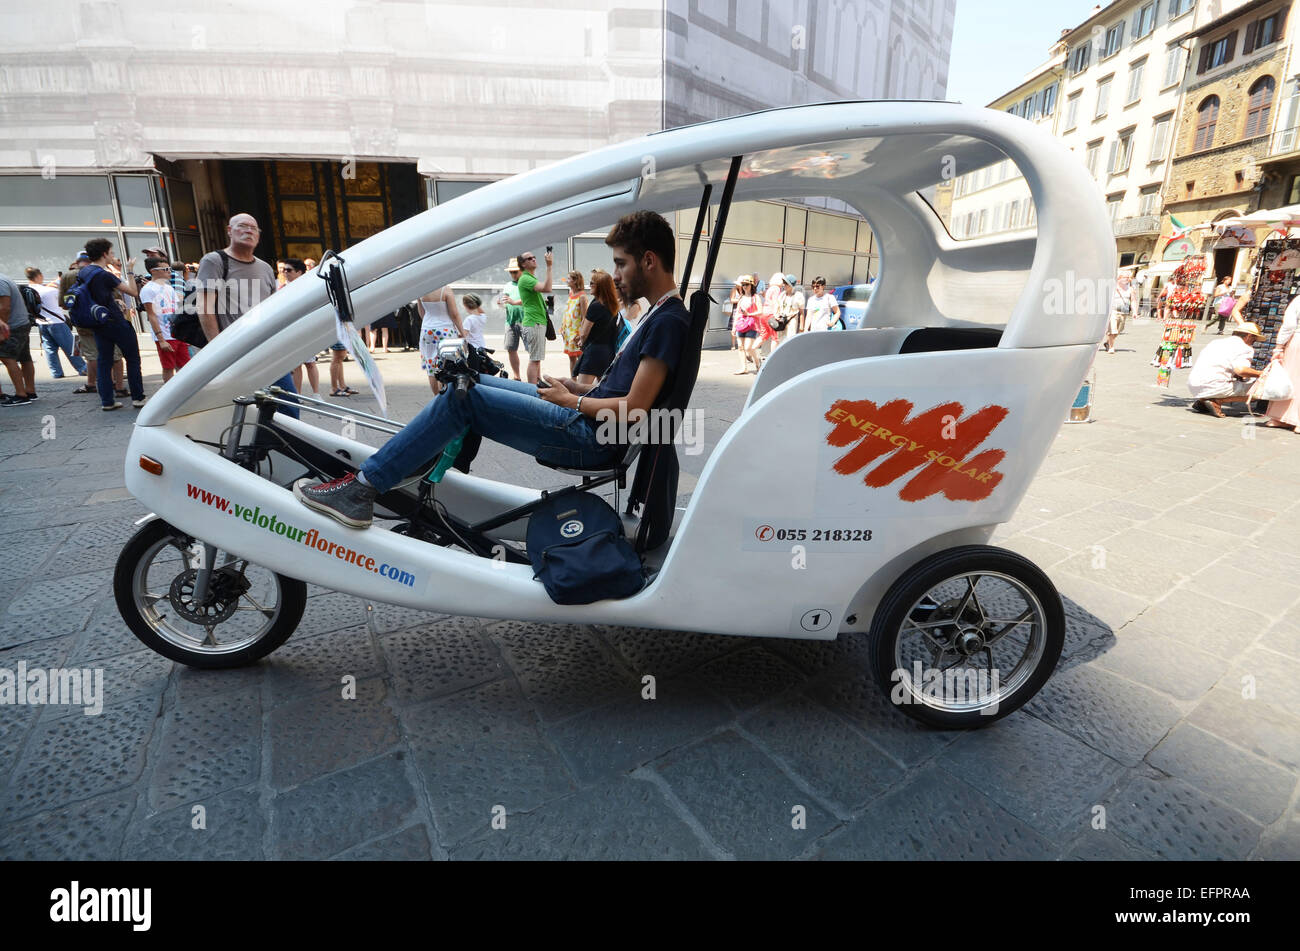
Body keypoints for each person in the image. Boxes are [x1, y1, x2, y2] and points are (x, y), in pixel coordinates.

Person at [295, 210, 691, 529]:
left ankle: (363, 490)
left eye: (621, 264)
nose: (616, 275)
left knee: (465, 400)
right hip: (587, 419)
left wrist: (572, 399)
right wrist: (574, 386)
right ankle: (418, 471)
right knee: (470, 380)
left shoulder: (668, 320)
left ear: (649, 261)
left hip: (590, 436)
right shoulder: (660, 314)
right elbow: (627, 395)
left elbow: (636, 409)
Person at [196, 213, 299, 417]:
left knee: (287, 407)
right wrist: (217, 349)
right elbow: (204, 306)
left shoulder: (265, 268)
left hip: (266, 349)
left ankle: (269, 447)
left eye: (253, 228)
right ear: (229, 231)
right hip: (233, 351)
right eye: (242, 226)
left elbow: (274, 310)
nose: (248, 231)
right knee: (239, 410)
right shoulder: (215, 261)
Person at [74, 238, 147, 410]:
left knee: (104, 361)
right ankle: (138, 397)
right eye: (112, 252)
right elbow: (133, 292)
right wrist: (129, 271)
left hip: (98, 322)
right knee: (133, 358)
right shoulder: (104, 275)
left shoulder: (84, 272)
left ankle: (107, 401)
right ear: (104, 254)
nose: (113, 256)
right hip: (115, 320)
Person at [1188, 322, 1266, 418]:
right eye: (1254, 339)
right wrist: (1261, 373)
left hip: (1193, 384)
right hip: (1214, 385)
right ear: (1248, 336)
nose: (1254, 342)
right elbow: (1241, 370)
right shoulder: (1245, 348)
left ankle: (1202, 400)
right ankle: (1217, 401)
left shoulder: (1216, 342)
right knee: (1260, 389)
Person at [24, 266, 87, 380]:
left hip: (41, 323)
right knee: (71, 347)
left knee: (49, 349)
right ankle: (83, 368)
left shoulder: (28, 290)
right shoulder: (50, 291)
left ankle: (56, 372)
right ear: (39, 276)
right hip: (57, 322)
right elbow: (64, 300)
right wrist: (59, 283)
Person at [139, 257, 188, 382]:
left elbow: (177, 311)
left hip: (177, 334)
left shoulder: (169, 288)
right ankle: (170, 395)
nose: (169, 271)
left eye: (170, 269)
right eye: (165, 269)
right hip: (165, 335)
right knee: (168, 367)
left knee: (185, 366)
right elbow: (151, 315)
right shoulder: (148, 289)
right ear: (153, 271)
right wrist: (161, 339)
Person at [573, 269, 620, 385]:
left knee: (581, 390)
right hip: (608, 351)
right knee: (602, 391)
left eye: (592, 283)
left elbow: (584, 333)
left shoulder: (596, 306)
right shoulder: (612, 305)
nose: (589, 285)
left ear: (600, 286)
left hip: (594, 353)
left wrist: (581, 341)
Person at [417, 284, 464, 395]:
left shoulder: (420, 289)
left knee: (431, 366)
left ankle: (436, 397)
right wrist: (462, 332)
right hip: (445, 329)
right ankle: (446, 396)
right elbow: (454, 314)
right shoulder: (445, 289)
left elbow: (421, 313)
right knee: (447, 365)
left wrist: (430, 323)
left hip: (427, 330)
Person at [516, 248, 553, 384]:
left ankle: (536, 384)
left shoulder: (529, 278)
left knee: (536, 359)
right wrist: (549, 266)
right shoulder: (525, 278)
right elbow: (547, 288)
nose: (533, 259)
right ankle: (532, 390)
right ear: (523, 264)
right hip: (534, 322)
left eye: (534, 257)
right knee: (534, 359)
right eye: (529, 258)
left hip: (536, 321)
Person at [1264, 292, 1300, 432]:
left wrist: (1279, 346)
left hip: (1297, 341)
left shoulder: (1298, 299)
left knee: (1289, 377)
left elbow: (1289, 325)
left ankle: (1281, 417)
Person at [0, 271, 38, 405]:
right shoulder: (4, 278)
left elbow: (4, 308)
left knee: (6, 357)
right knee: (24, 357)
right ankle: (30, 391)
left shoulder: (0, 281)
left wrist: (1, 330)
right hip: (21, 323)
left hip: (12, 326)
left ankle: (21, 394)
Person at [496, 260, 525, 380]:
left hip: (526, 321)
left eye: (515, 271)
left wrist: (513, 302)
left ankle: (536, 376)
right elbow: (504, 303)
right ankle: (517, 375)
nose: (513, 274)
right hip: (511, 321)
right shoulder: (508, 285)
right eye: (511, 272)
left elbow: (531, 300)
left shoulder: (527, 284)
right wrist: (501, 304)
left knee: (533, 352)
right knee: (511, 349)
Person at [732, 275, 762, 374]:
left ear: (751, 285)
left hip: (752, 325)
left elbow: (760, 311)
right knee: (740, 347)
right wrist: (734, 327)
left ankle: (757, 362)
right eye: (743, 284)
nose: (744, 286)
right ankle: (744, 368)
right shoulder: (741, 298)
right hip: (741, 324)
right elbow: (737, 313)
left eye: (747, 284)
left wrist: (749, 314)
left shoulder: (755, 297)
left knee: (748, 347)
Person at [561, 270, 589, 376]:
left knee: (580, 357)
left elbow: (584, 316)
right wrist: (563, 328)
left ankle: (582, 379)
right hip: (568, 331)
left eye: (569, 279)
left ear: (575, 281)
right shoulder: (571, 294)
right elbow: (567, 312)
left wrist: (581, 333)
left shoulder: (582, 297)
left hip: (576, 331)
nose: (567, 281)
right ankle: (573, 379)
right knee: (571, 357)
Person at [1103, 270, 1137, 353]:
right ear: (1119, 278)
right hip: (1113, 311)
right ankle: (1111, 347)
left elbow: (1133, 300)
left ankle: (1108, 342)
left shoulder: (1130, 289)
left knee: (1118, 331)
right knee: (1112, 330)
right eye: (1125, 277)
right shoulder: (1113, 288)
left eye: (1128, 278)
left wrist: (1135, 311)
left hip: (1124, 312)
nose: (1127, 279)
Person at [775, 273, 805, 344]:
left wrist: (801, 327)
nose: (784, 285)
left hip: (791, 322)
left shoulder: (798, 296)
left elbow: (801, 313)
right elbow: (777, 307)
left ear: (791, 285)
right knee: (780, 343)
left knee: (789, 342)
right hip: (781, 322)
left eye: (786, 283)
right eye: (783, 282)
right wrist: (776, 315)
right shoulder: (782, 295)